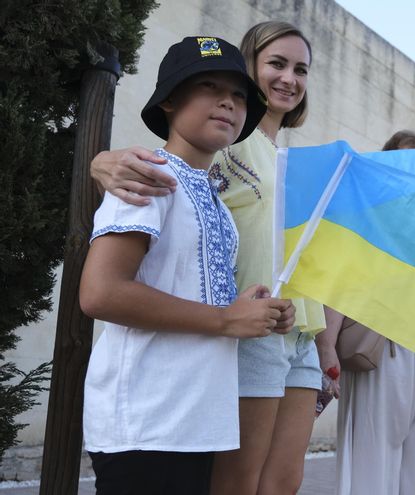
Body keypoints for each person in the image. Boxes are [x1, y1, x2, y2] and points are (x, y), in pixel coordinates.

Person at [90, 22, 319, 494]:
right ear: (170, 99)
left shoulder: (213, 198)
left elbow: (190, 283)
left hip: (197, 423)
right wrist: (225, 319)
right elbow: (101, 293)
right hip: (144, 424)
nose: (228, 102)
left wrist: (247, 305)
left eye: (238, 95)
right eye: (208, 87)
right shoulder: (147, 177)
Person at [313, 131, 415, 495]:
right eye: (406, 159)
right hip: (381, 343)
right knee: (371, 457)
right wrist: (327, 346)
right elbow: (337, 277)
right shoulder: (367, 211)